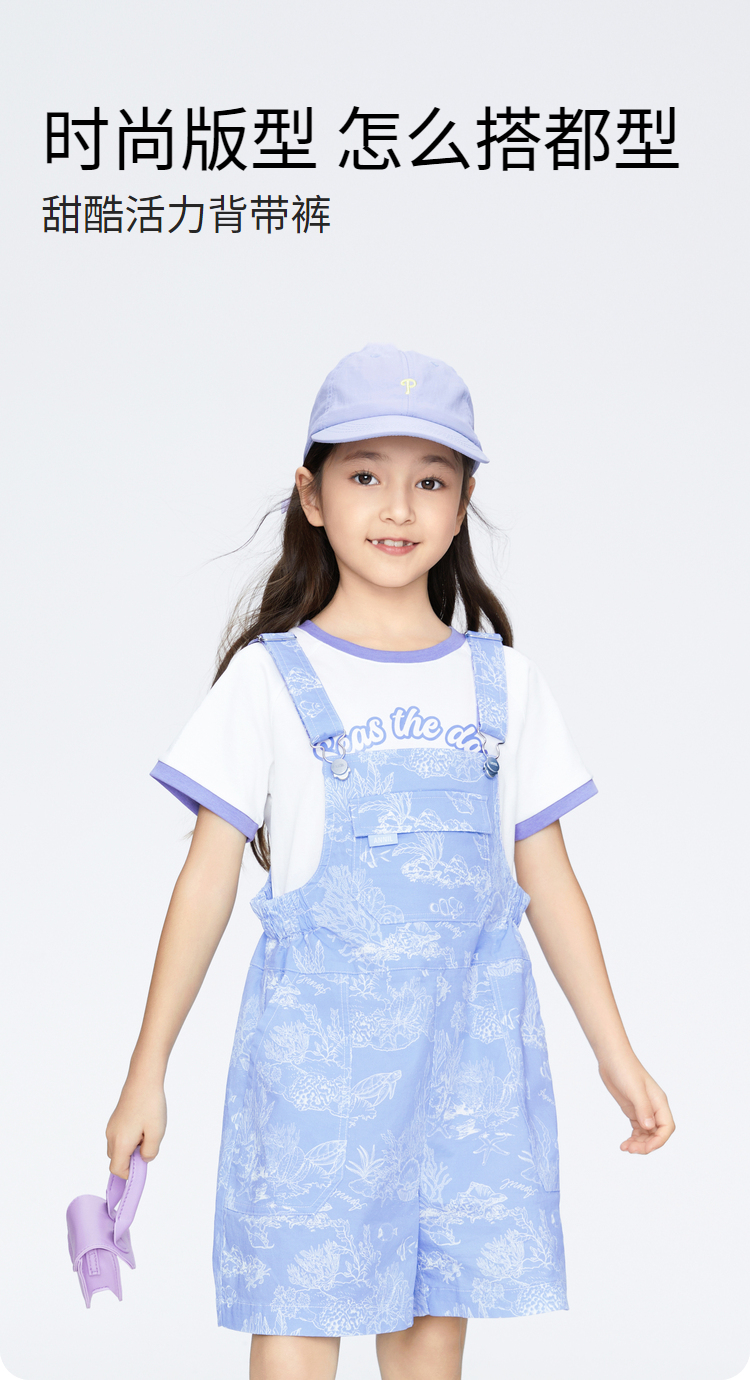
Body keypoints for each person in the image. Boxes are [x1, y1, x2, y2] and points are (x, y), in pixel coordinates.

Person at [106, 343, 675, 1380]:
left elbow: (548, 879)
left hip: (467, 1064)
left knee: (432, 1332)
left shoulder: (505, 684)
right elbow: (206, 883)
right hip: (315, 1073)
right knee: (298, 1311)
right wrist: (149, 1070)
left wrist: (616, 1052)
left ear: (464, 505)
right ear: (312, 495)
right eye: (365, 473)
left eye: (432, 480)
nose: (398, 506)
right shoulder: (269, 681)